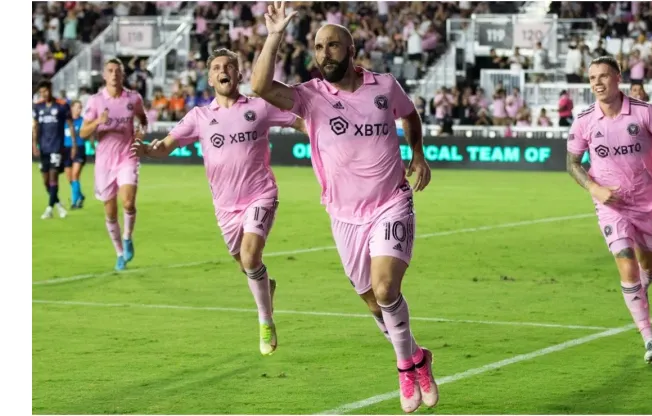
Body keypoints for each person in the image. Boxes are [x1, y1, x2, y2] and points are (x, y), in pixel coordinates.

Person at [250, 3, 436, 413]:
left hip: (391, 202)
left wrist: (418, 153)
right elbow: (261, 86)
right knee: (373, 302)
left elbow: (410, 115)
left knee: (387, 288)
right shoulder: (310, 97)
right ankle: (420, 356)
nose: (324, 53)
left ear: (351, 51)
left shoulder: (384, 87)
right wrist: (275, 35)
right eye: (318, 47)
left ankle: (405, 369)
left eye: (333, 45)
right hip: (344, 215)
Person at [130, 48, 306, 357]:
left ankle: (265, 321)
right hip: (225, 207)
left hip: (260, 194)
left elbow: (299, 122)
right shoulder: (199, 116)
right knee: (246, 265)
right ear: (210, 77)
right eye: (217, 67)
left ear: (239, 74)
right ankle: (268, 285)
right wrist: (149, 150)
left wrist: (326, 137)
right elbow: (167, 146)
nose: (223, 70)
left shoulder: (260, 107)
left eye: (229, 66)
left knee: (251, 258)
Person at [565, 56, 652, 365]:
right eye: (592, 78)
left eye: (604, 76)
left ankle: (638, 296)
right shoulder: (584, 121)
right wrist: (594, 188)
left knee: (649, 267)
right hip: (611, 207)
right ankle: (649, 338)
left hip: (646, 204)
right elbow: (572, 163)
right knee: (626, 265)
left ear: (618, 78)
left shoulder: (645, 113)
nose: (598, 83)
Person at [79, 58, 148, 271]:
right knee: (110, 212)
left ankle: (127, 237)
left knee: (128, 202)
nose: (114, 74)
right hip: (104, 163)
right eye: (110, 71)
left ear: (123, 75)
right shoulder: (96, 101)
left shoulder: (133, 98)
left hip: (127, 156)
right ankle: (119, 252)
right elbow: (82, 132)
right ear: (104, 75)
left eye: (118, 71)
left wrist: (140, 132)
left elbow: (143, 120)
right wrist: (98, 122)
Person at [33, 80, 77, 219]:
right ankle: (58, 204)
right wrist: (34, 144)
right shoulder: (37, 106)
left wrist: (74, 145)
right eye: (41, 92)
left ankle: (49, 208)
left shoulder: (62, 106)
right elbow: (35, 127)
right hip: (43, 148)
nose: (43, 94)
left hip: (57, 147)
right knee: (45, 180)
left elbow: (70, 125)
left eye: (45, 91)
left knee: (53, 177)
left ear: (51, 89)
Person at [63, 100, 87, 208]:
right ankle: (80, 196)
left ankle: (74, 202)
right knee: (69, 177)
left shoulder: (83, 121)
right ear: (71, 108)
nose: (79, 110)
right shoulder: (65, 121)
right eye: (77, 107)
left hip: (79, 149)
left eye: (81, 107)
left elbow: (88, 135)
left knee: (75, 175)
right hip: (66, 150)